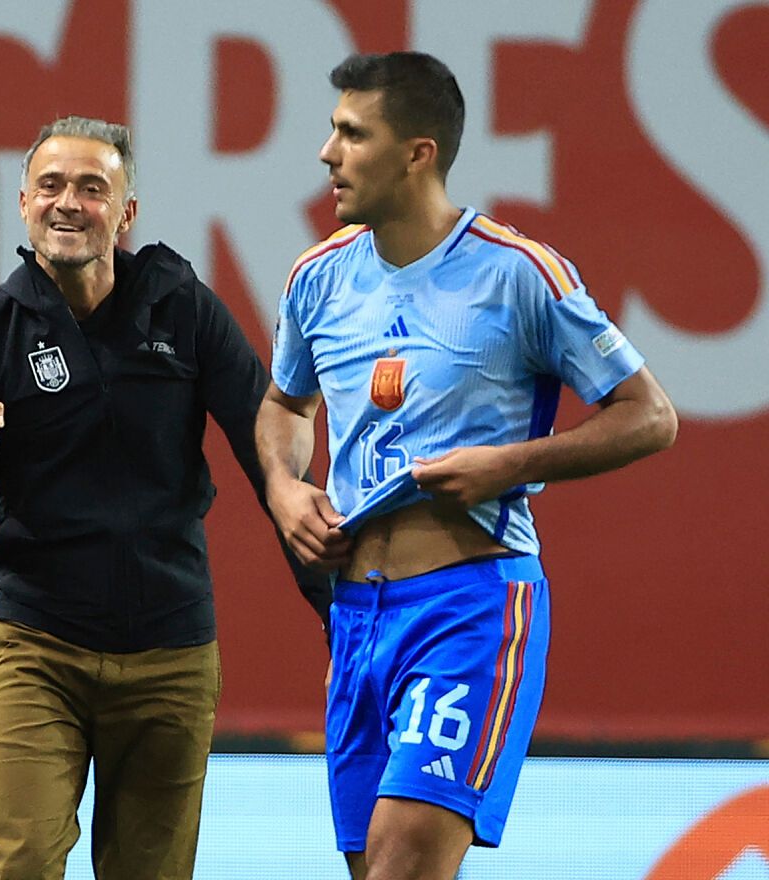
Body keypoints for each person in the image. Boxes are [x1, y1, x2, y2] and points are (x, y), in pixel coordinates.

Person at [256, 52, 678, 880]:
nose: (326, 153)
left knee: (401, 867)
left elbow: (649, 416)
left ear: (418, 152)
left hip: (470, 607)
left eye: (351, 132)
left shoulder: (521, 274)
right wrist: (281, 487)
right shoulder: (317, 277)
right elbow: (284, 407)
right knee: (372, 864)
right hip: (355, 618)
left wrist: (509, 464)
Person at [0, 115, 329, 880]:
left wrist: (340, 618)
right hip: (38, 648)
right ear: (22, 203)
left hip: (172, 654)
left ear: (127, 214)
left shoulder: (184, 310)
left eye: (91, 188)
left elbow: (271, 466)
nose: (67, 203)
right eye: (50, 186)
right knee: (20, 867)